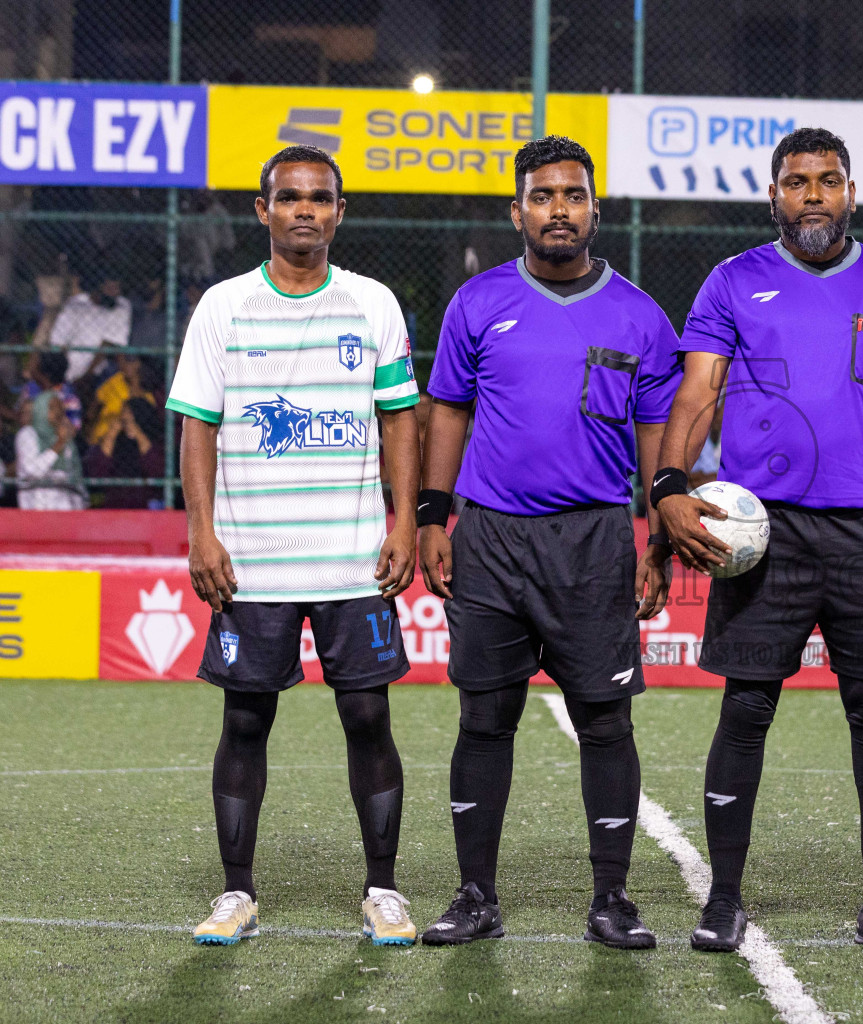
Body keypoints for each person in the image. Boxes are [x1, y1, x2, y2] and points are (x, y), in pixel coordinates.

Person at [653, 127, 863, 956]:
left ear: (851, 193)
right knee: (746, 708)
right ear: (773, 196)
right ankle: (724, 899)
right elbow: (698, 392)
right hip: (760, 534)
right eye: (796, 182)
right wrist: (670, 485)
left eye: (827, 181)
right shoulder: (733, 281)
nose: (812, 194)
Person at [415, 136, 680, 949]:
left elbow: (659, 435)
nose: (557, 209)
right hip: (491, 538)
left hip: (595, 538)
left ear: (595, 209)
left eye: (572, 195)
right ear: (518, 211)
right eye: (542, 196)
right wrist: (432, 513)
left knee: (605, 721)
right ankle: (475, 896)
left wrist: (659, 537)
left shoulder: (639, 313)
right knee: (484, 718)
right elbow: (449, 412)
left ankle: (612, 898)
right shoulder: (477, 302)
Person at [166, 145, 422, 947]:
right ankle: (236, 894)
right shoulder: (223, 307)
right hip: (252, 557)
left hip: (352, 556)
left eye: (320, 198)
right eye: (290, 198)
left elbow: (398, 420)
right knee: (246, 721)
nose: (305, 210)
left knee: (368, 714)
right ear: (263, 210)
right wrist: (200, 530)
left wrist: (406, 520)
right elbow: (197, 425)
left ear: (340, 212)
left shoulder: (373, 303)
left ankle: (383, 891)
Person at [47, 270, 131, 384]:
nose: (115, 293)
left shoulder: (121, 306)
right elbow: (58, 342)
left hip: (97, 371)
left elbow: (108, 344)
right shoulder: (75, 304)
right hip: (68, 366)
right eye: (110, 288)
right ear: (99, 288)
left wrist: (86, 377)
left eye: (117, 288)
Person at [15, 380, 87, 511]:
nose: (59, 412)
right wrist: (58, 445)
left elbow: (74, 472)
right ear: (42, 410)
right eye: (53, 408)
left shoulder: (62, 435)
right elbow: (33, 471)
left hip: (65, 507)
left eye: (60, 407)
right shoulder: (28, 434)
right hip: (36, 504)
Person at [84, 395, 164, 508]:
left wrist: (138, 434)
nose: (125, 417)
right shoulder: (116, 441)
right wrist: (112, 433)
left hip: (147, 505)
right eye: (123, 413)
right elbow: (97, 471)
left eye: (129, 413)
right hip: (114, 505)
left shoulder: (154, 440)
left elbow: (156, 469)